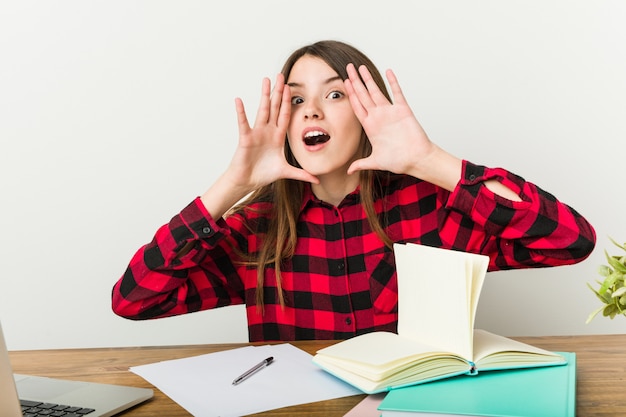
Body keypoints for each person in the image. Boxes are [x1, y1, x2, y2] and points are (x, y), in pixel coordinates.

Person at [112, 40, 596, 342]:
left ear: (367, 110)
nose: (311, 111)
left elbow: (570, 240)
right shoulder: (257, 227)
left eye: (335, 94)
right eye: (296, 99)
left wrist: (431, 161)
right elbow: (133, 300)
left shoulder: (432, 206)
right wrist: (231, 186)